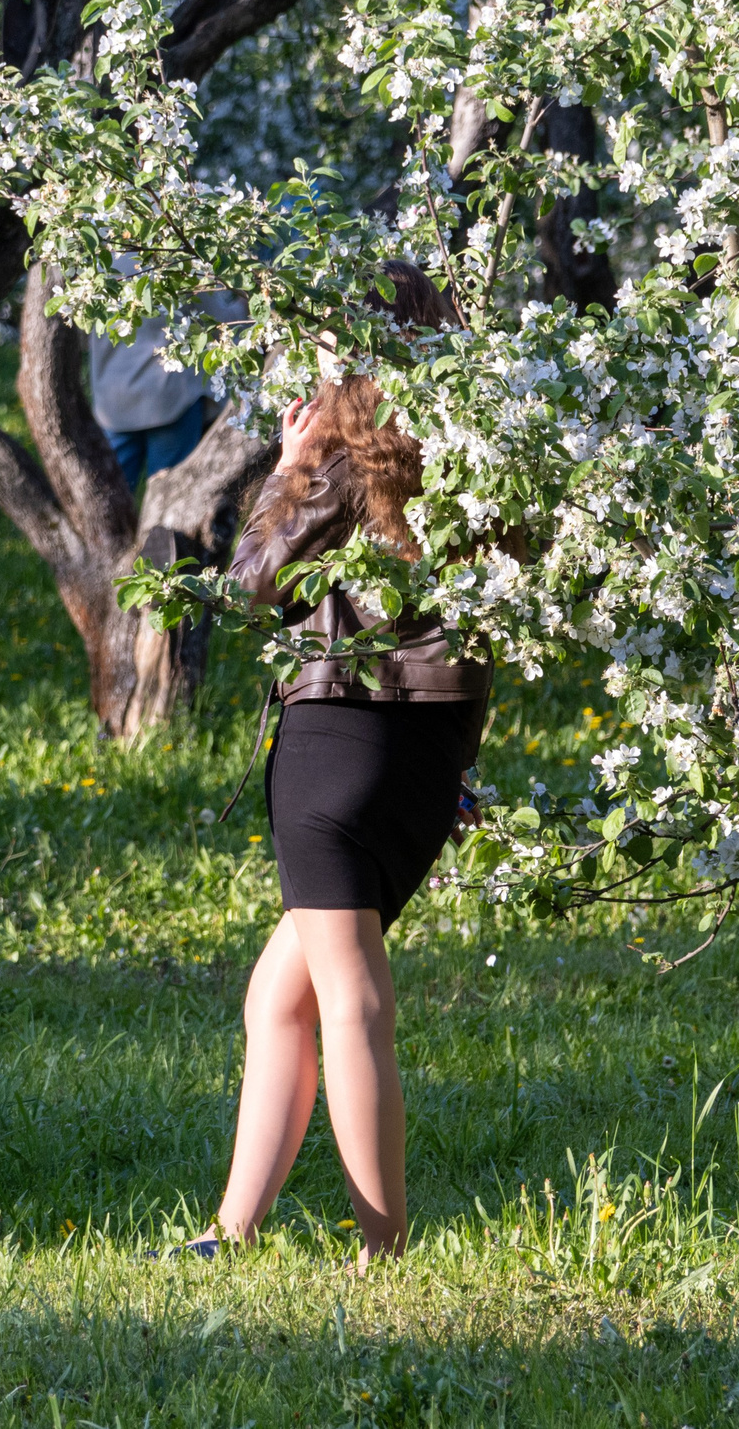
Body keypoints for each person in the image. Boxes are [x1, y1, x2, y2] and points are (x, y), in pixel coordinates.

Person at [186, 261, 490, 1271]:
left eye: (317, 339)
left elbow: (248, 588)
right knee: (281, 996)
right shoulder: (479, 457)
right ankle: (233, 1230)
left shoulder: (342, 462)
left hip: (336, 736)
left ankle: (383, 1247)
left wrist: (288, 461)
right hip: (429, 746)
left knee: (349, 998)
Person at [89, 283, 244, 491]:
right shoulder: (179, 262)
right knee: (168, 496)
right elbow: (220, 322)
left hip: (114, 404)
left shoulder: (96, 267)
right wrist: (247, 303)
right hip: (170, 400)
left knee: (111, 498)